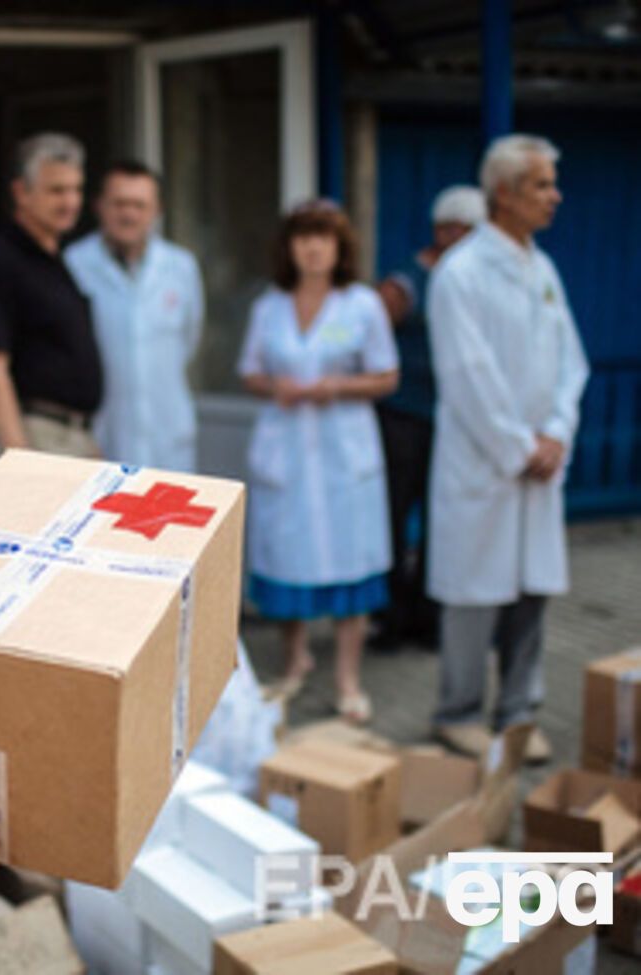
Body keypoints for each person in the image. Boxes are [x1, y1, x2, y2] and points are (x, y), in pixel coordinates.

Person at [427, 135, 589, 763]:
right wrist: (521, 446)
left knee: (530, 592)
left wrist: (557, 433)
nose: (555, 195)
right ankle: (457, 711)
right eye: (542, 185)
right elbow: (468, 374)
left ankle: (518, 711)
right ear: (505, 193)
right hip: (487, 463)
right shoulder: (461, 273)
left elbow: (571, 362)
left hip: (537, 462)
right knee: (474, 594)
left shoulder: (540, 267)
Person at [237, 200, 399, 724]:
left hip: (342, 453)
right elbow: (249, 372)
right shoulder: (269, 306)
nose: (312, 247)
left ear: (339, 248)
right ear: (288, 247)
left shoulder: (362, 305)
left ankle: (347, 679)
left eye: (323, 238)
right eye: (303, 237)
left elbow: (386, 377)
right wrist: (274, 386)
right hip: (286, 452)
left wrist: (337, 386)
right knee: (287, 561)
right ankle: (293, 664)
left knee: (351, 560)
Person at [370, 185, 486, 653]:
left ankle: (430, 617)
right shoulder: (408, 281)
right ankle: (392, 618)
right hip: (404, 419)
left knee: (444, 520)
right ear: (445, 230)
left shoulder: (472, 279)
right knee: (395, 517)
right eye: (469, 232)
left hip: (451, 420)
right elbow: (371, 330)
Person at [0, 132, 104, 459]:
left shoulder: (58, 260)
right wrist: (21, 458)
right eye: (57, 190)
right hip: (39, 437)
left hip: (77, 434)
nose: (71, 202)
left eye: (76, 189)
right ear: (21, 192)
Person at [64, 161, 204, 472]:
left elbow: (189, 338)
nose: (129, 215)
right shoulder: (73, 265)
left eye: (140, 205)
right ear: (99, 206)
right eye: (119, 204)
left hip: (168, 435)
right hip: (100, 438)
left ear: (157, 210)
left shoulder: (181, 267)